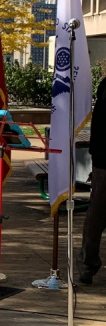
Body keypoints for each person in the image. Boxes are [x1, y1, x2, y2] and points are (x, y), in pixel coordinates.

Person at [78, 78, 106, 284]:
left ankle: (87, 265)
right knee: (96, 216)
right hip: (104, 162)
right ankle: (87, 265)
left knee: (96, 215)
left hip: (102, 161)